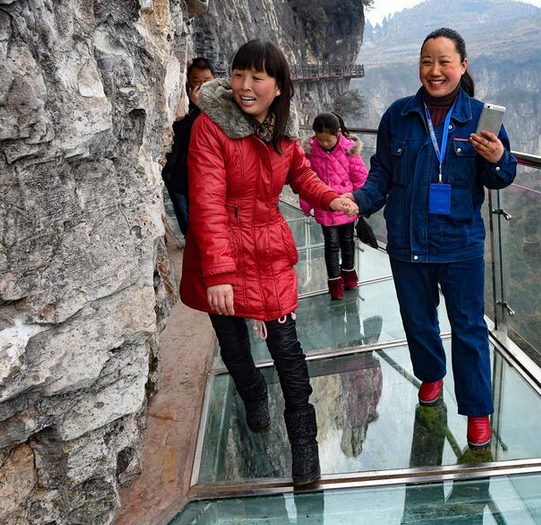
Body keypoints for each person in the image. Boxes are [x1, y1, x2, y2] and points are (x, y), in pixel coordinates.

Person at [179, 39, 356, 486]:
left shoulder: (282, 131)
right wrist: (218, 272)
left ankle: (303, 444)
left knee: (287, 349)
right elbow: (206, 202)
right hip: (219, 248)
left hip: (269, 249)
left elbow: (302, 175)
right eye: (239, 74)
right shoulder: (210, 127)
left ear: (278, 86)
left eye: (257, 77)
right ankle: (252, 392)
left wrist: (332, 197)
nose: (245, 85)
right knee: (233, 342)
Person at [345, 27, 517, 449]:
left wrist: (498, 159)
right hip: (407, 243)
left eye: (444, 62)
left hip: (459, 244)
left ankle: (478, 412)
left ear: (462, 66)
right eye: (427, 61)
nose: (435, 70)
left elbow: (503, 177)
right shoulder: (398, 115)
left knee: (469, 328)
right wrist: (358, 202)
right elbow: (381, 174)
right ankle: (432, 377)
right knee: (418, 322)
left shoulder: (479, 118)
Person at [299, 112, 369, 300]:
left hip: (346, 205)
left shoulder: (349, 150)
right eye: (320, 140)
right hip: (324, 206)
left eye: (328, 140)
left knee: (347, 241)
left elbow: (360, 178)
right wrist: (306, 204)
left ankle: (349, 274)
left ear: (338, 133)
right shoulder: (311, 152)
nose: (324, 144)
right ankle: (335, 282)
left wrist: (358, 200)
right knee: (331, 244)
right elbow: (306, 180)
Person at [161, 57, 216, 234]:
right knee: (184, 214)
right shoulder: (181, 102)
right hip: (177, 169)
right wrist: (195, 105)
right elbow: (180, 130)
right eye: (196, 82)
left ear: (214, 79)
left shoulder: (221, 103)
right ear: (188, 82)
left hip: (204, 169)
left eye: (207, 81)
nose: (202, 86)